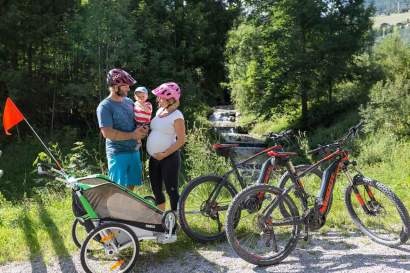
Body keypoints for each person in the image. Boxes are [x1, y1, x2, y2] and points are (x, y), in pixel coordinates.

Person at [96, 68, 148, 191]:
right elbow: (107, 133)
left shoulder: (129, 102)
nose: (129, 89)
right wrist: (133, 135)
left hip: (134, 151)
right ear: (114, 86)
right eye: (125, 86)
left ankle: (127, 210)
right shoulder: (104, 106)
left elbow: (136, 122)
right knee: (117, 189)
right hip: (117, 153)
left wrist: (142, 130)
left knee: (131, 188)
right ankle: (115, 210)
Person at [146, 82, 186, 211]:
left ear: (170, 99)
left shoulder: (177, 115)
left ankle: (175, 220)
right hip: (154, 158)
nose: (158, 99)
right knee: (156, 189)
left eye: (160, 97)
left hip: (169, 158)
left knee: (171, 190)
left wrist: (164, 154)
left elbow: (181, 140)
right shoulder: (159, 111)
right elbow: (157, 130)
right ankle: (161, 219)